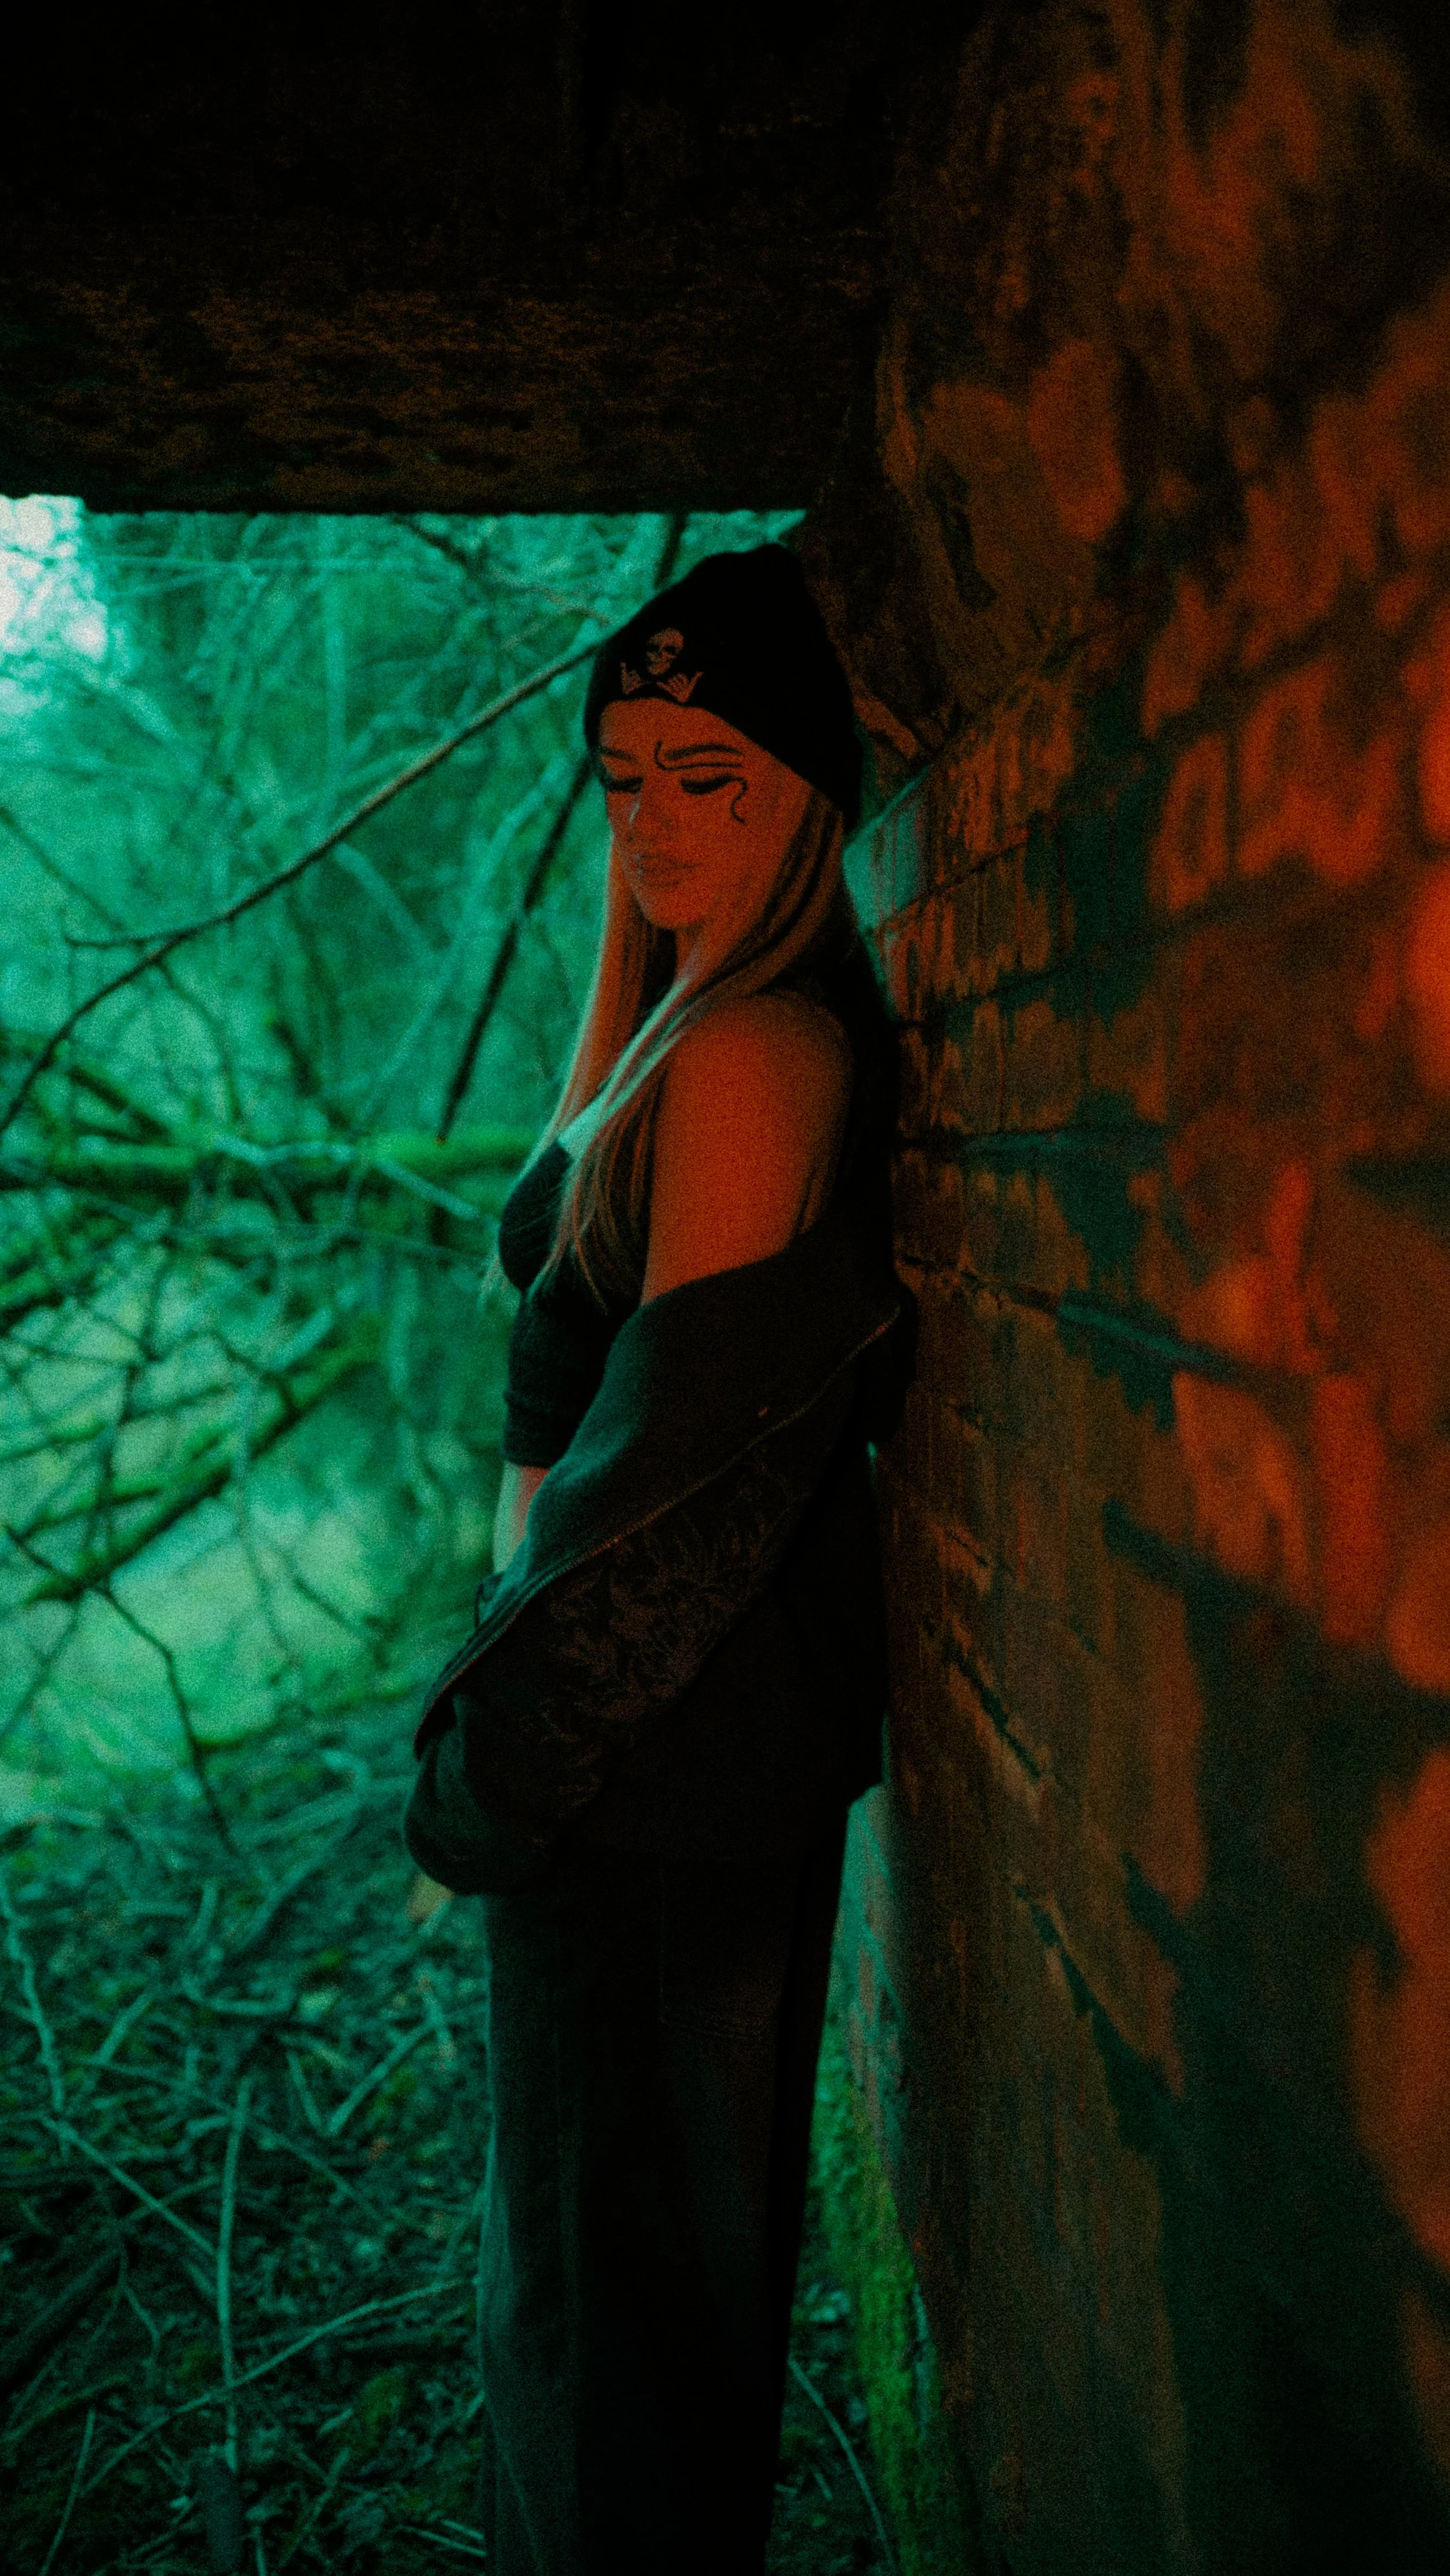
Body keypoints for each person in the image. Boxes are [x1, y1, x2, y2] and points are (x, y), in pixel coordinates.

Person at [404, 543, 904, 2575]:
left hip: (653, 1783)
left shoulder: (757, 1058)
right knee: (585, 2308)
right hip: (629, 1772)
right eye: (625, 780)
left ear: (805, 797)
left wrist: (492, 1787)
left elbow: (670, 1510)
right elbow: (574, 1428)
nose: (660, 824)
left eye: (712, 776)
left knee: (624, 2341)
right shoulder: (670, 1036)